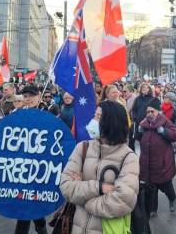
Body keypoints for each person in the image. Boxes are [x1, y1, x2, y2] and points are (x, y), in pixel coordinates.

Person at [60, 100, 139, 233]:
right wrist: (100, 187)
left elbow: (123, 201)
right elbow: (66, 186)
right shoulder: (82, 148)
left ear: (110, 122)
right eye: (94, 116)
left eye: (97, 117)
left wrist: (85, 200)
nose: (93, 121)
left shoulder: (128, 157)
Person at [13, 85, 48, 234]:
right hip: (22, 168)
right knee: (26, 206)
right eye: (25, 96)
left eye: (31, 96)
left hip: (40, 168)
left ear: (39, 96)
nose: (28, 99)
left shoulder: (48, 115)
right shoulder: (18, 115)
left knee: (32, 205)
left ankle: (41, 228)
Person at [138, 97, 176, 214]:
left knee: (166, 186)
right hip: (147, 162)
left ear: (158, 111)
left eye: (152, 111)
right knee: (151, 188)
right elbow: (138, 138)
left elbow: (175, 134)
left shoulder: (164, 121)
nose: (150, 114)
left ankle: (172, 198)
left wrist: (164, 131)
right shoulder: (144, 123)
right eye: (148, 112)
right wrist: (139, 131)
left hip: (162, 164)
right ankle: (152, 209)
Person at [130, 83, 153, 151]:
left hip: (149, 124)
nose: (144, 88)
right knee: (141, 142)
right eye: (142, 87)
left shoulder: (152, 99)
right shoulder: (137, 99)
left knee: (148, 142)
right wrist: (135, 117)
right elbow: (133, 110)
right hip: (139, 123)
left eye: (146, 87)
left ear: (149, 89)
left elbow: (156, 111)